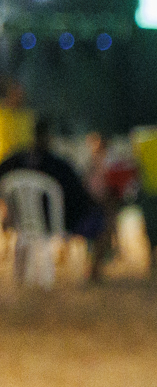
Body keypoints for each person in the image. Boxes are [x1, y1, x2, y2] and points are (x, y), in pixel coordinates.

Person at [0, 117, 110, 280]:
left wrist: (9, 207)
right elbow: (78, 194)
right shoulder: (59, 165)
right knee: (101, 220)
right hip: (57, 222)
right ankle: (93, 272)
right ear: (49, 137)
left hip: (22, 222)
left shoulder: (16, 160)